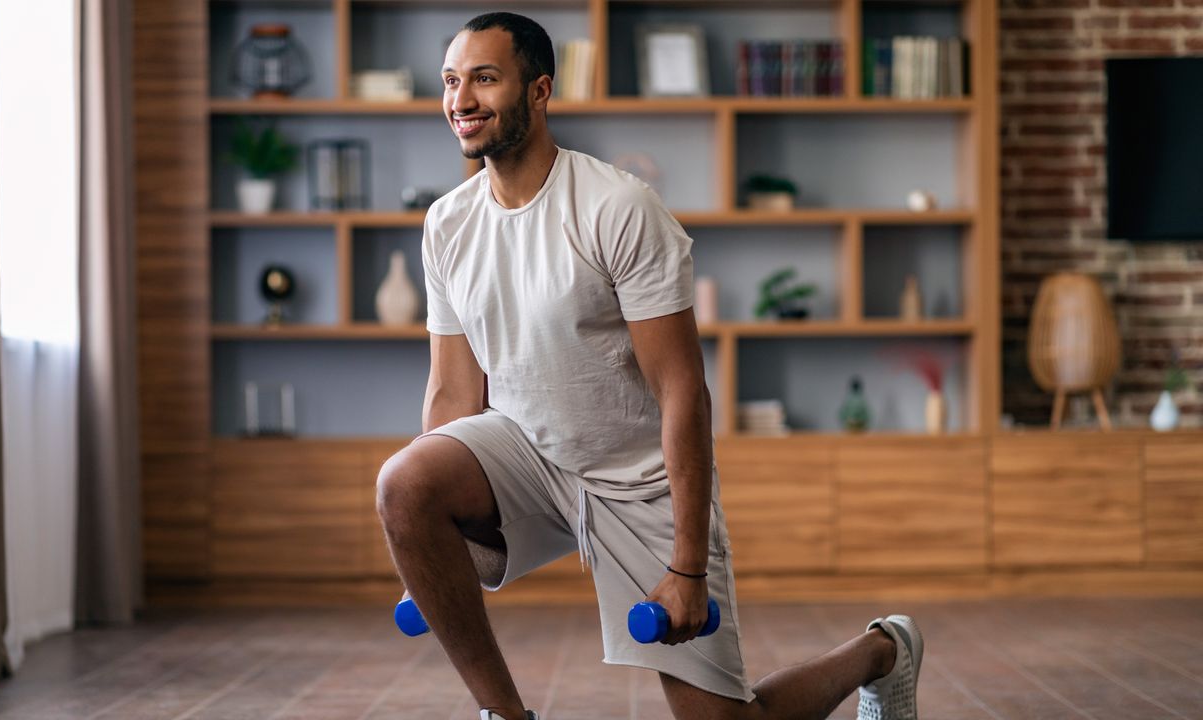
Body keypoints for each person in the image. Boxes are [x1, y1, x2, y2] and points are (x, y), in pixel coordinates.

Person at [375, 12, 922, 720]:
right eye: (452, 81)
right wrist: (429, 528)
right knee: (403, 483)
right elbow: (452, 392)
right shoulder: (448, 223)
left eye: (485, 78)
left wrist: (687, 567)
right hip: (527, 455)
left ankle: (883, 650)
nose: (461, 100)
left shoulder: (618, 208)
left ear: (539, 91)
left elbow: (682, 392)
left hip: (638, 480)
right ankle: (505, 717)